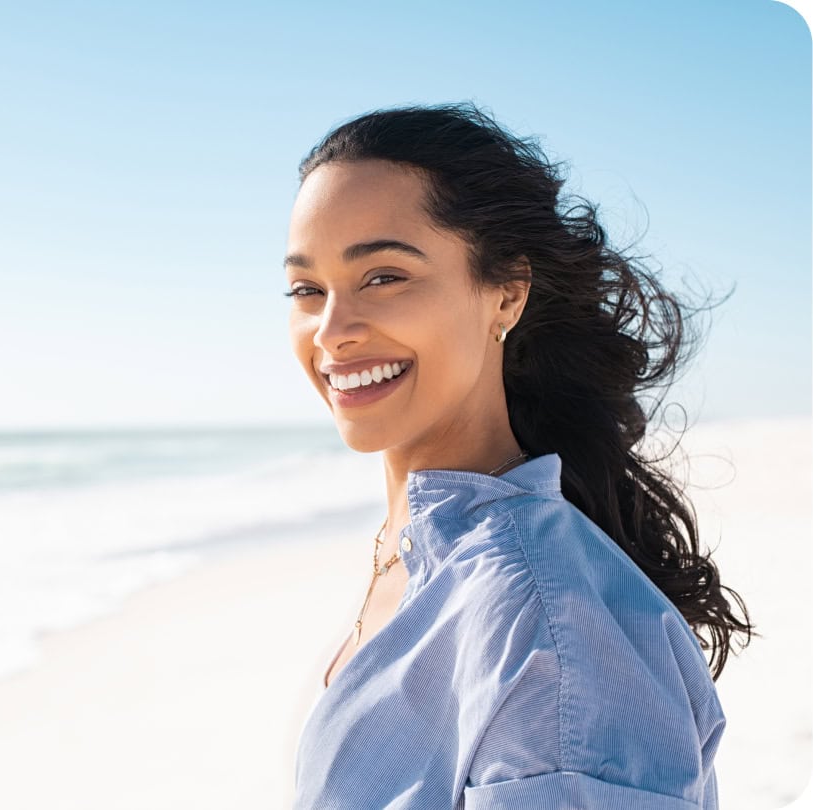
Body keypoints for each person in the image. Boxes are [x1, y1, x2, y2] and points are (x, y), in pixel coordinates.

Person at [283, 102, 753, 809]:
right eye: (307, 290)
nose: (331, 330)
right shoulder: (418, 549)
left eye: (384, 277)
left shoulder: (548, 629)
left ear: (506, 294)